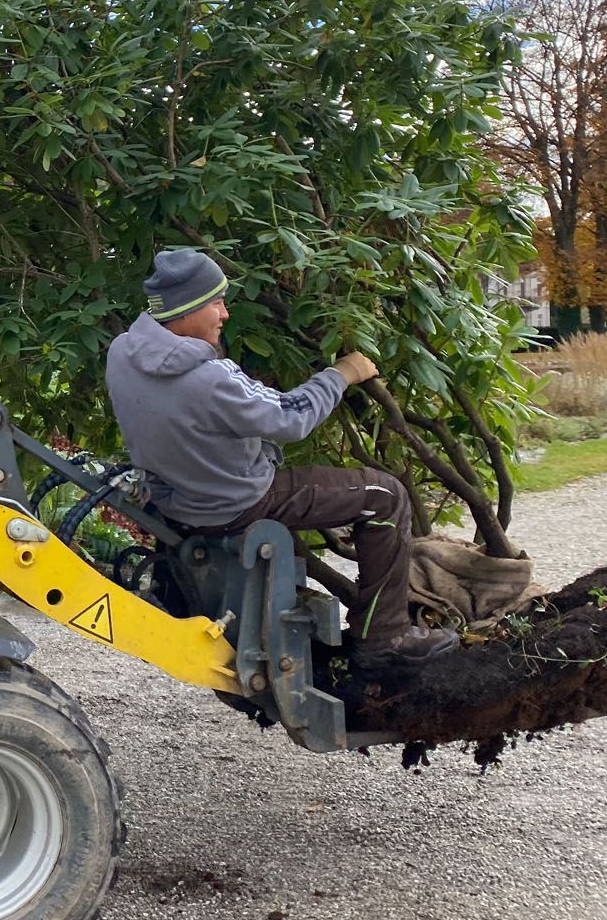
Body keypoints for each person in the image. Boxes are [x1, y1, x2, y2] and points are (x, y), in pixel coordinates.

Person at [106, 247, 456, 665]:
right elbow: (291, 419)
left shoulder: (122, 353)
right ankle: (384, 637)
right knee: (386, 495)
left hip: (176, 500)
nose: (225, 314)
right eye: (216, 303)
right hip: (236, 502)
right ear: (186, 310)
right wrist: (343, 373)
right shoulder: (208, 379)